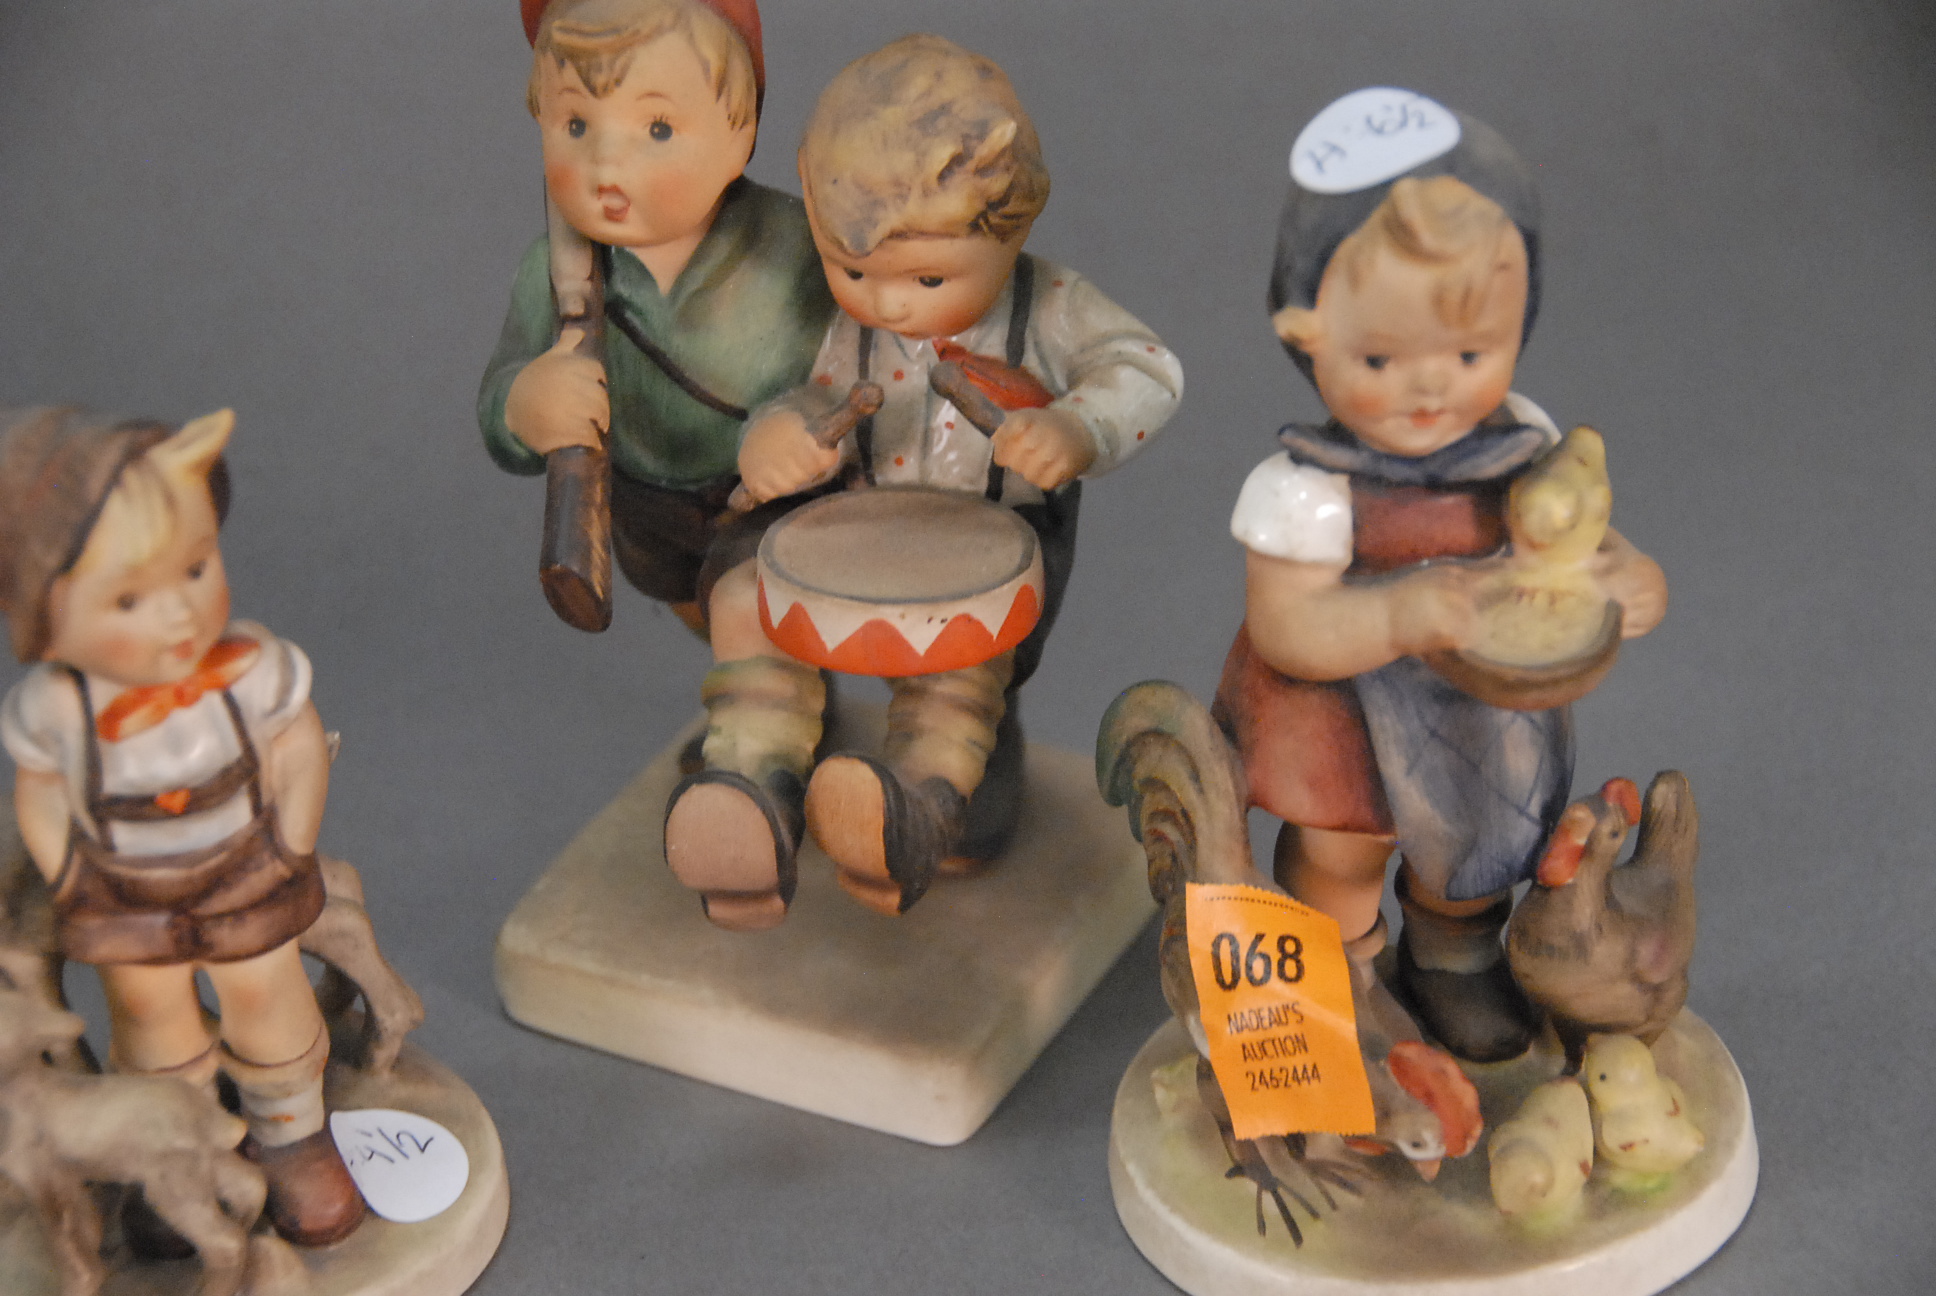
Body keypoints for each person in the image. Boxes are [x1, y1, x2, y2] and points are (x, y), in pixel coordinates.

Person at [663, 33, 1184, 929]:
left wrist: (1077, 427)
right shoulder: (843, 318)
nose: (887, 302)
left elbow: (1149, 369)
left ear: (1010, 230)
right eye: (852, 271)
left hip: (989, 546)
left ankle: (916, 805)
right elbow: (802, 391)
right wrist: (776, 435)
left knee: (960, 670)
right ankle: (754, 780)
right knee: (748, 599)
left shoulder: (1051, 307)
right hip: (853, 525)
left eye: (928, 276)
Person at [1215, 89, 1668, 1062]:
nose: (1430, 386)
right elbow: (1289, 627)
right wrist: (1394, 617)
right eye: (1381, 357)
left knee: (1476, 842)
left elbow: (1571, 535)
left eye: (1470, 352)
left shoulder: (1524, 444)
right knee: (1344, 852)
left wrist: (1623, 574)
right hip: (1342, 712)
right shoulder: (1305, 491)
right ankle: (1336, 974)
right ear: (1305, 331)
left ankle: (1453, 956)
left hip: (1479, 710)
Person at [0, 406, 364, 1245]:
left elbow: (297, 746)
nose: (178, 617)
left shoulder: (250, 671)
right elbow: (43, 797)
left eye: (196, 569)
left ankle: (290, 1132)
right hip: (127, 894)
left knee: (266, 993)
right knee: (150, 1014)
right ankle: (185, 1140)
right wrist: (72, 879)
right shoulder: (59, 712)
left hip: (246, 867)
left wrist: (292, 841)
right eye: (129, 598)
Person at [478, 0, 834, 633]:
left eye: (659, 129)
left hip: (778, 499)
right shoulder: (549, 272)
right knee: (703, 614)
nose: (605, 166)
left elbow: (873, 355)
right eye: (576, 125)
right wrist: (522, 408)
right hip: (643, 508)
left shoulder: (799, 246)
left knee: (763, 627)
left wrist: (812, 422)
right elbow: (499, 392)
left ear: (742, 135)